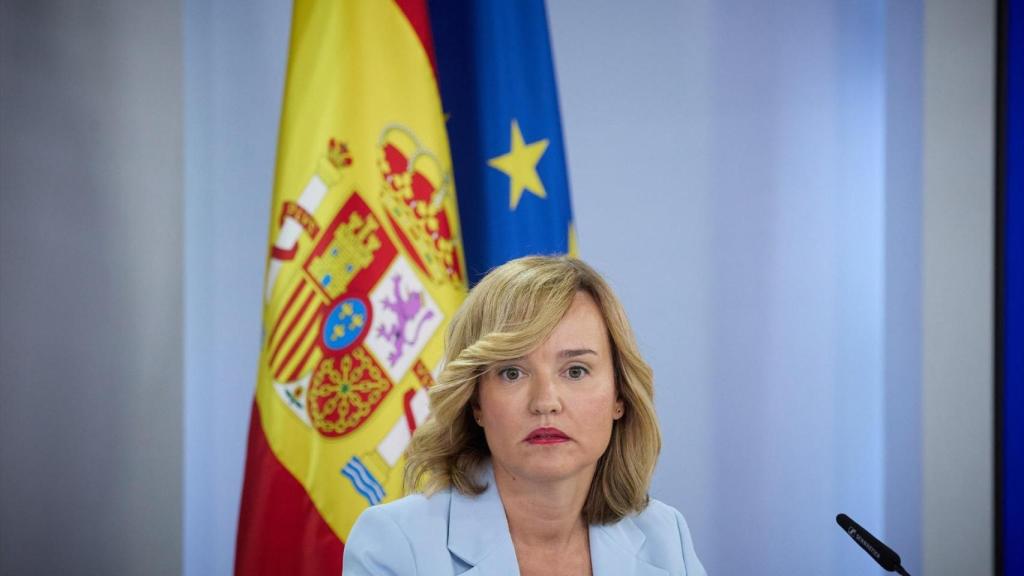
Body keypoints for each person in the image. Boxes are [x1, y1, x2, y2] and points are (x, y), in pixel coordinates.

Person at [343, 256, 706, 575]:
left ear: (619, 396)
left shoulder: (665, 536)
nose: (546, 402)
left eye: (576, 371)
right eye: (512, 372)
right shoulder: (395, 544)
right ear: (476, 402)